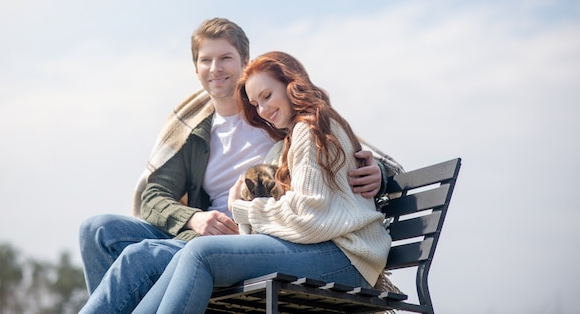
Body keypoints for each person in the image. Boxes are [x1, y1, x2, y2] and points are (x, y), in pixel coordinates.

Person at [78, 20, 401, 313]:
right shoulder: (193, 128)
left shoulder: (283, 121)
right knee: (98, 229)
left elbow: (340, 151)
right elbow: (153, 196)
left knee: (145, 258)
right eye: (206, 60)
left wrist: (381, 174)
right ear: (196, 69)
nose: (216, 68)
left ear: (245, 62)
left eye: (226, 58)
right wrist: (196, 217)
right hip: (213, 234)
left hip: (262, 236)